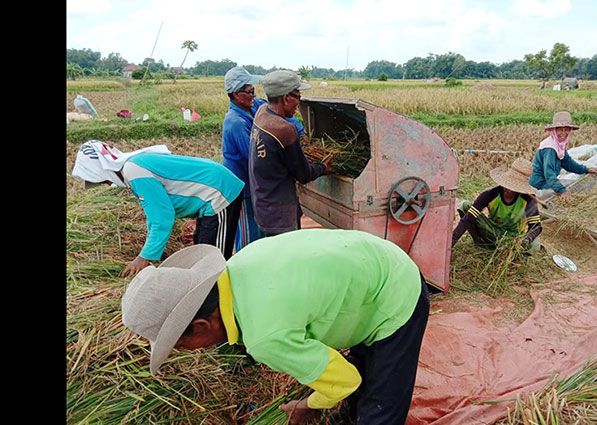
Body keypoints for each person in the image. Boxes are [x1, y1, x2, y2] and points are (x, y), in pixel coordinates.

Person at [121, 229, 430, 425]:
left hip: (395, 292)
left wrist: (308, 404)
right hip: (368, 262)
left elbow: (344, 380)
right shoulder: (239, 263)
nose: (186, 351)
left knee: (380, 411)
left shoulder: (264, 336)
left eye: (179, 343)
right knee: (363, 371)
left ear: (201, 325)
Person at [71, 140, 244, 277]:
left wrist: (144, 257)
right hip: (212, 193)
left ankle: (223, 305)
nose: (105, 183)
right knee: (200, 253)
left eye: (100, 180)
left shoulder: (134, 172)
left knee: (212, 260)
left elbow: (162, 218)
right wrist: (148, 251)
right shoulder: (133, 167)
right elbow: (153, 215)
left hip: (220, 193)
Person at [221, 67, 308, 250]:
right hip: (241, 188)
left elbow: (277, 111)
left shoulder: (255, 107)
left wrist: (299, 131)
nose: (254, 95)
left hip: (255, 186)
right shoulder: (235, 122)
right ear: (236, 94)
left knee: (262, 238)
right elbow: (255, 155)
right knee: (248, 239)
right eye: (250, 91)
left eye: (254, 90)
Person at [249, 69, 332, 237]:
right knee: (285, 259)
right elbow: (303, 174)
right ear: (286, 97)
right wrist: (323, 167)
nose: (298, 103)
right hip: (279, 215)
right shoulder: (284, 129)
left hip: (262, 205)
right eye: (298, 97)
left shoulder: (262, 112)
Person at [452, 158, 542, 254]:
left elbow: (536, 227)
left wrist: (526, 241)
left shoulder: (528, 200)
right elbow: (468, 219)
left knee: (535, 243)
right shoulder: (490, 194)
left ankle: (515, 254)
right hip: (492, 232)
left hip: (513, 239)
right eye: (508, 185)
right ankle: (479, 243)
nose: (509, 189)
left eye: (514, 187)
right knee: (465, 205)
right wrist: (452, 241)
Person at [529, 111, 597, 201]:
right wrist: (562, 190)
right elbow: (549, 174)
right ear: (554, 130)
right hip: (540, 186)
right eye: (560, 129)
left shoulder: (558, 145)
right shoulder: (550, 148)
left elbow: (568, 164)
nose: (563, 133)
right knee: (572, 189)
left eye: (566, 129)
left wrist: (586, 169)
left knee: (574, 185)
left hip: (548, 183)